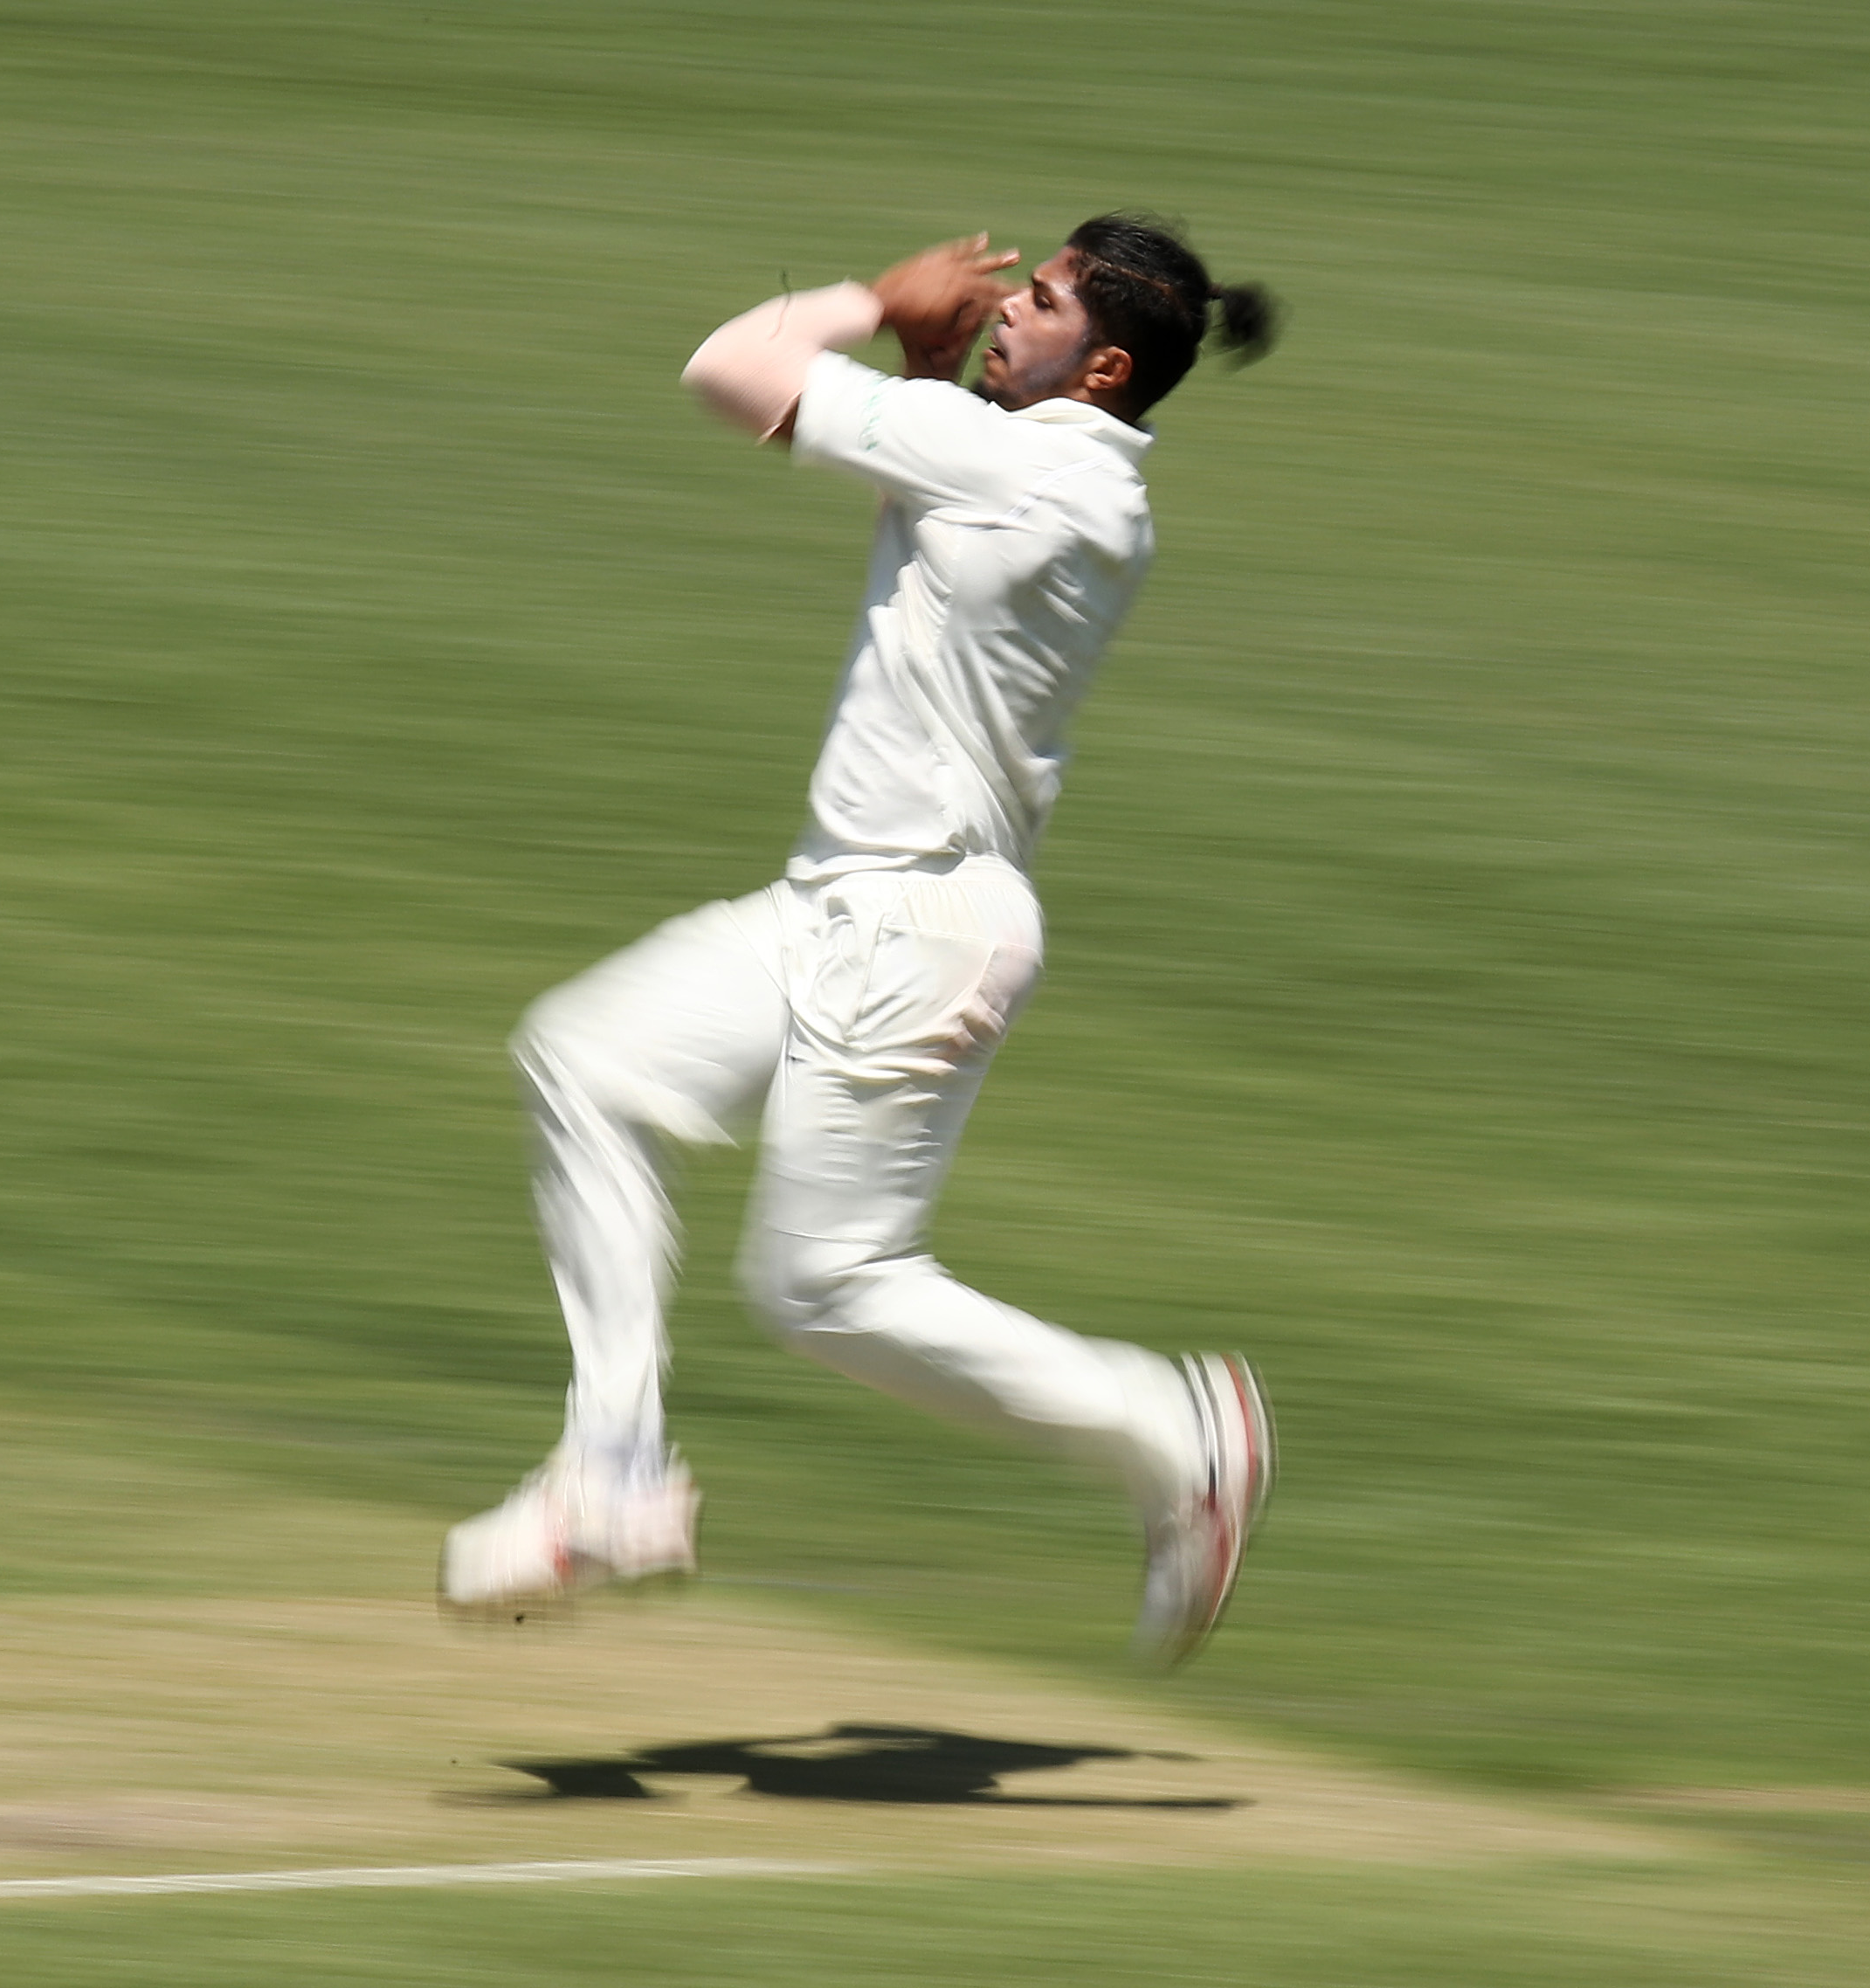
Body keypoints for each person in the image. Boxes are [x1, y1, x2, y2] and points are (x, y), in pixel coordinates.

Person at [440, 215, 1280, 1667]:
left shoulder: (1036, 467)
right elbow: (914, 453)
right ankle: (614, 1474)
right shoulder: (1032, 455)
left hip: (917, 927)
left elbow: (729, 367)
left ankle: (1176, 1433)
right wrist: (935, 360)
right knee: (584, 1061)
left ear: (1109, 368)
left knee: (826, 1289)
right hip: (842, 902)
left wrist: (870, 300)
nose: (1014, 305)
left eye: (1049, 301)